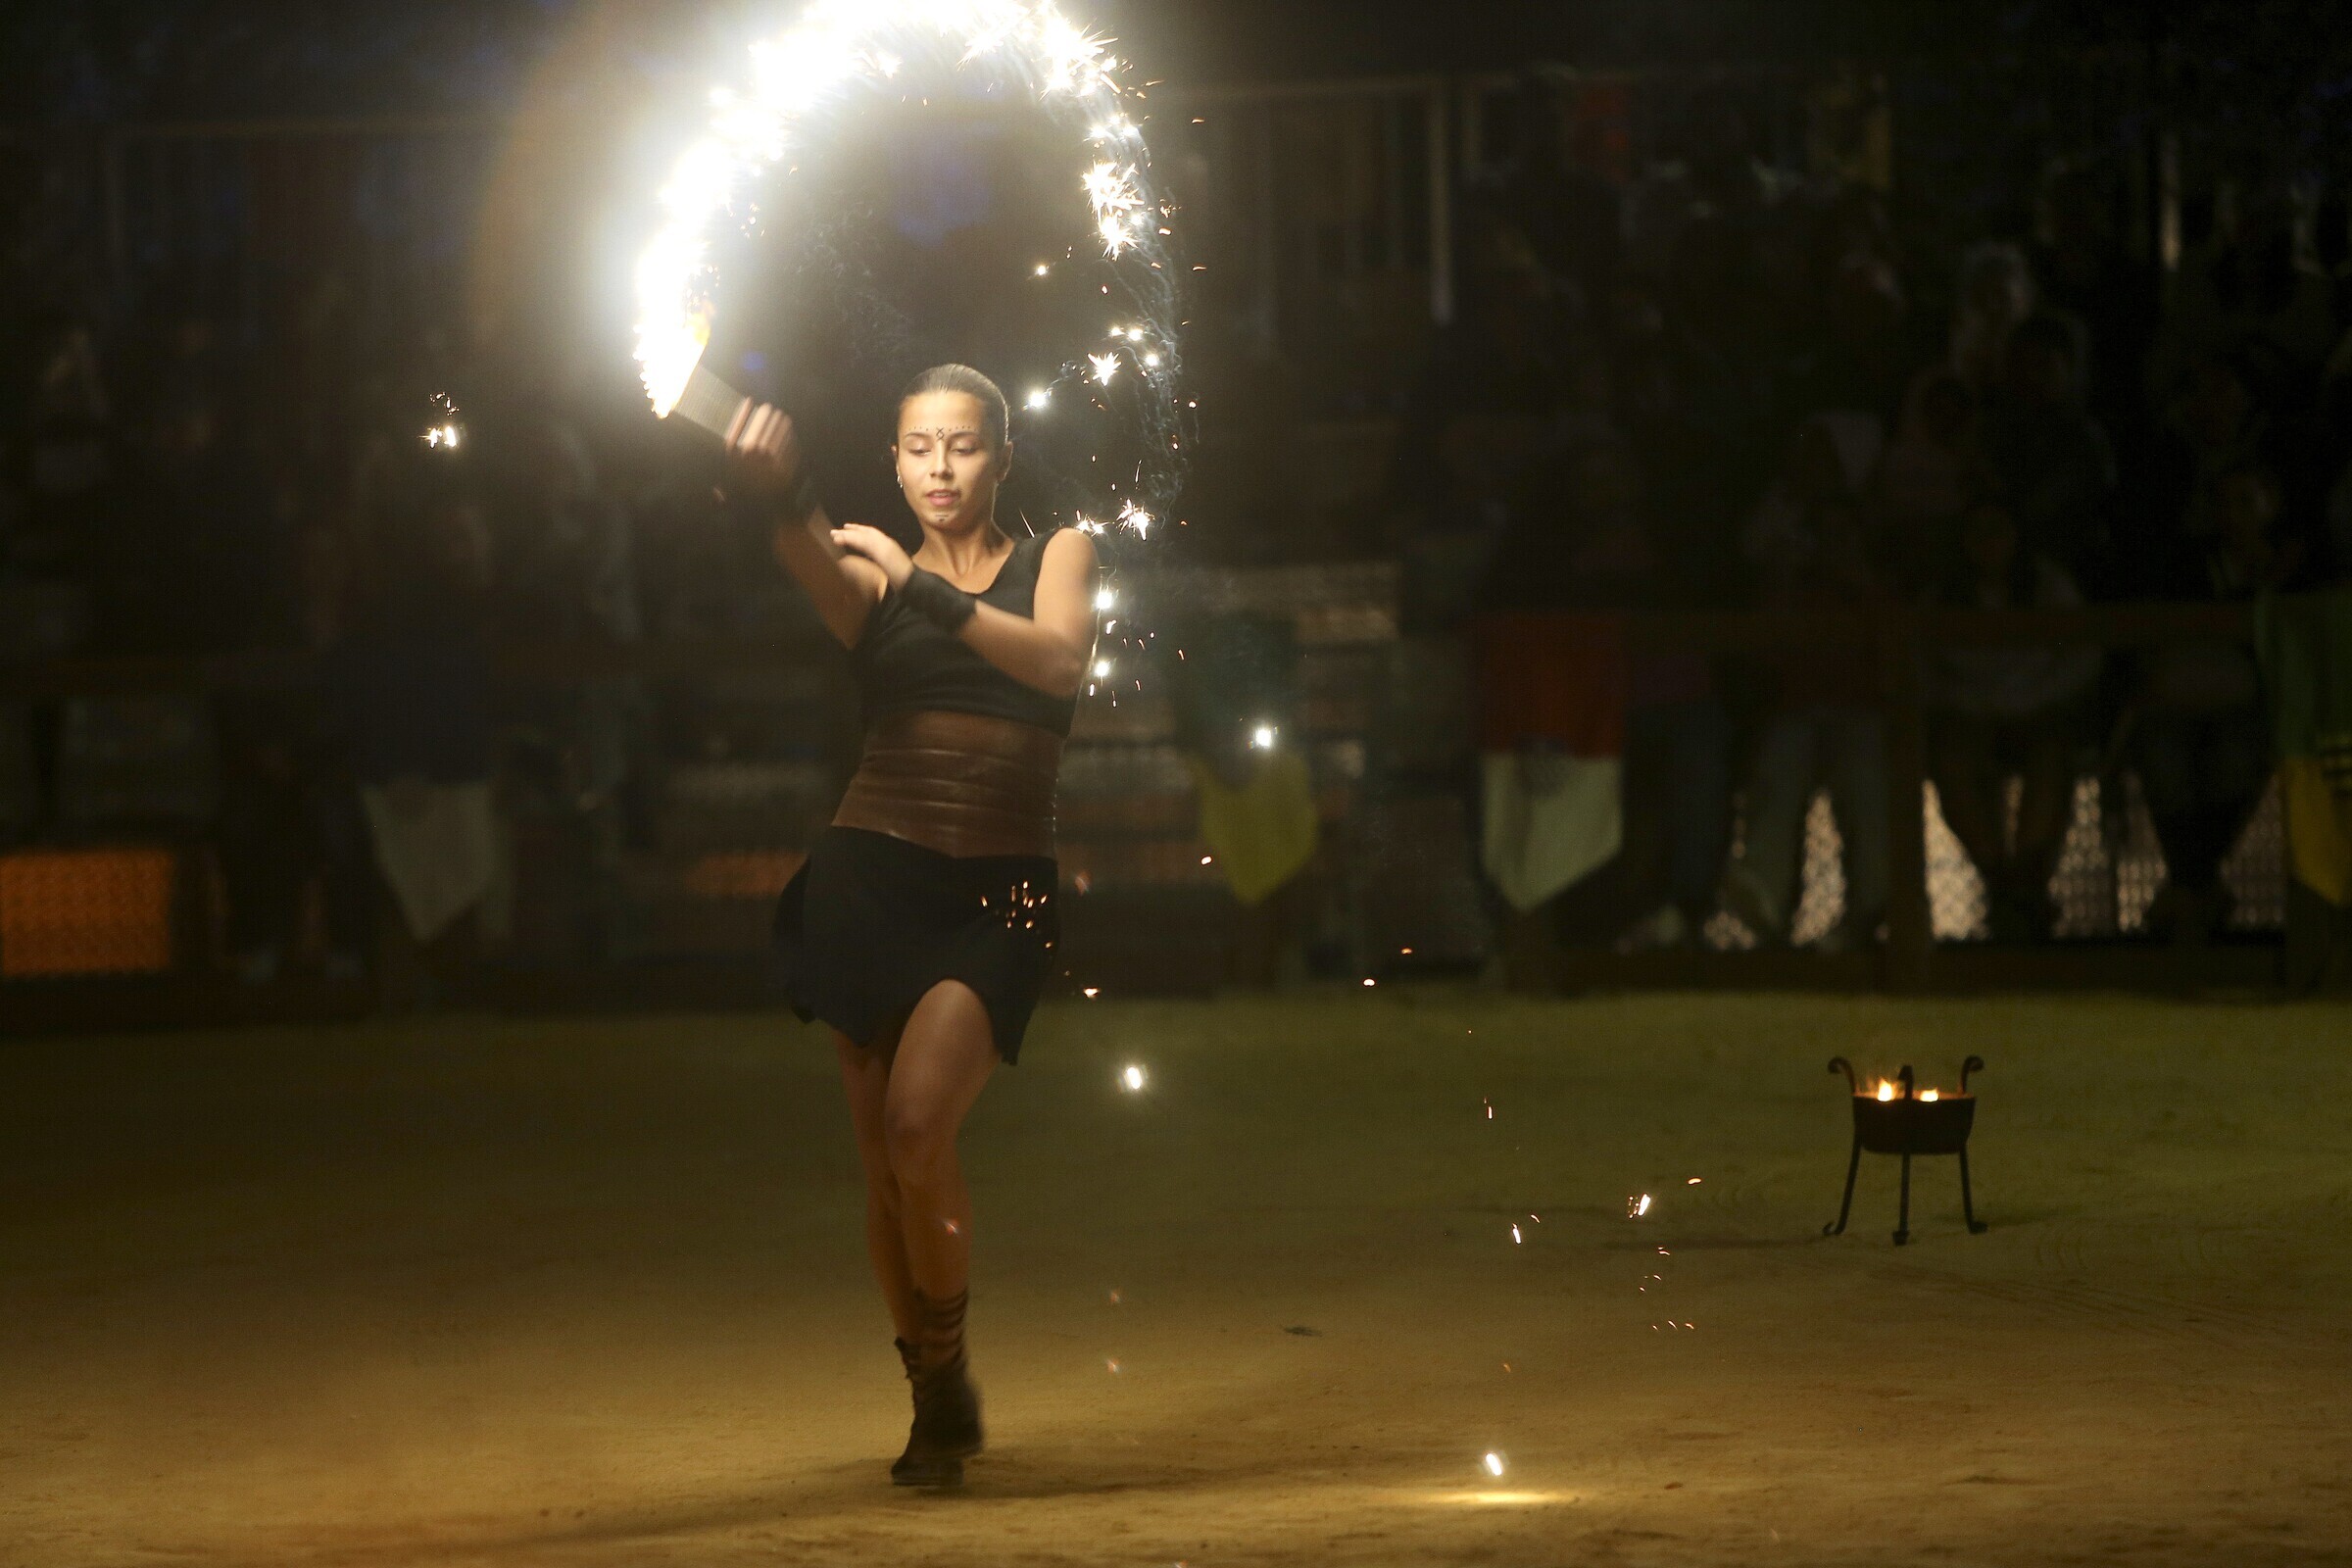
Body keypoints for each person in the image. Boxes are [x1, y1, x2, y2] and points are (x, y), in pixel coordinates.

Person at [727, 364, 1099, 1487]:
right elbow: (796, 545)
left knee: (918, 1125)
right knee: (883, 1165)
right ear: (892, 461)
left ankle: (943, 1369)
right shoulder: (866, 576)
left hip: (998, 895)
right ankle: (936, 1390)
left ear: (1003, 457)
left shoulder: (1060, 557)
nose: (940, 467)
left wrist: (924, 589)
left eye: (964, 445)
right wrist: (775, 481)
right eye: (919, 447)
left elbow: (1061, 657)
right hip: (869, 880)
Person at [1925, 497, 2102, 941]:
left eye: (1998, 531)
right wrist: (1966, 701)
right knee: (1953, 763)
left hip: (2039, 717)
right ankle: (2004, 883)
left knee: (2050, 760)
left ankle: (2024, 879)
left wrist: (2040, 696)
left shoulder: (2048, 585)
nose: (1989, 544)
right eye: (1978, 533)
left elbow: (2086, 649)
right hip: (1968, 719)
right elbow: (1919, 664)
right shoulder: (1944, 594)